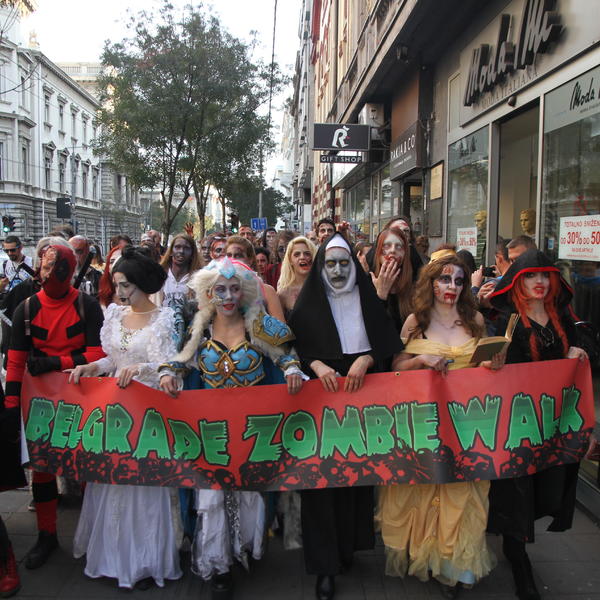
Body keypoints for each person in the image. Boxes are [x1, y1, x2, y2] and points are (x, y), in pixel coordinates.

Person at [158, 258, 304, 598]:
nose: (228, 297)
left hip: (250, 432)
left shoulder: (259, 324)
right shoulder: (199, 328)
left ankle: (242, 548)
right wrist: (168, 374)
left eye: (234, 289)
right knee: (213, 495)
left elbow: (286, 355)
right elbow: (179, 361)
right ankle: (219, 564)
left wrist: (292, 370)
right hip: (210, 432)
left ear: (244, 292)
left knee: (248, 493)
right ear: (208, 293)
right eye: (220, 290)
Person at [378, 254, 501, 598]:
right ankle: (427, 558)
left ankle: (455, 566)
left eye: (459, 281)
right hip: (425, 423)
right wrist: (420, 359)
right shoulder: (415, 321)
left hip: (467, 424)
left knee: (463, 493)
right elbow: (396, 367)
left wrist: (492, 364)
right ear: (431, 282)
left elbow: (484, 366)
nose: (452, 287)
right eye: (445, 279)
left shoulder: (475, 319)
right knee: (425, 490)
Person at [288, 232, 403, 600]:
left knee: (354, 478)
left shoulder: (366, 299)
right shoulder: (307, 305)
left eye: (343, 263)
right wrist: (316, 364)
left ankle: (347, 548)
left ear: (353, 266)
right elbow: (294, 348)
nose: (337, 270)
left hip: (359, 402)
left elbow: (387, 343)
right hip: (320, 407)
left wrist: (366, 359)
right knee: (320, 486)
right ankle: (324, 567)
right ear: (321, 268)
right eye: (330, 264)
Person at [67, 246, 182, 590]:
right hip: (115, 411)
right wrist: (92, 367)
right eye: (117, 284)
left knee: (142, 486)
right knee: (112, 480)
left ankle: (143, 561)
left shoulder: (163, 319)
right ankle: (111, 558)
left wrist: (143, 368)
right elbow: (112, 359)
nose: (119, 292)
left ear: (142, 284)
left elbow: (168, 365)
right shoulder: (115, 315)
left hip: (147, 414)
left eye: (126, 285)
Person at [487, 249, 587, 600]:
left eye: (545, 275)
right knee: (518, 490)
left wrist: (576, 354)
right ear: (517, 281)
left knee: (546, 486)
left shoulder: (563, 317)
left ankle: (514, 542)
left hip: (554, 424)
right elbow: (495, 370)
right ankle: (518, 558)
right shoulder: (508, 322)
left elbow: (582, 358)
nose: (539, 282)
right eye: (530, 275)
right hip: (518, 424)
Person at [4, 244, 105, 569]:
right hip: (41, 401)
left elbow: (98, 354)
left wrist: (55, 362)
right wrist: (10, 405)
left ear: (68, 271)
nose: (46, 275)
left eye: (54, 269)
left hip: (81, 395)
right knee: (42, 466)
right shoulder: (27, 309)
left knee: (86, 463)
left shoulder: (87, 306)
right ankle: (46, 534)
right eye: (44, 267)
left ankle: (93, 532)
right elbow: (15, 361)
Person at [225, 236, 285, 321]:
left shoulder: (267, 291)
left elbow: (281, 327)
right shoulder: (217, 290)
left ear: (250, 260)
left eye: (238, 255)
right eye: (228, 256)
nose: (233, 260)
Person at [370, 227, 413, 333]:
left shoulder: (414, 288)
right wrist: (381, 295)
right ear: (378, 252)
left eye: (399, 246)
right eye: (386, 245)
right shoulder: (366, 284)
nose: (393, 250)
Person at [277, 236, 317, 319]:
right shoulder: (283, 293)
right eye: (297, 254)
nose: (302, 257)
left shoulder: (324, 287)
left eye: (307, 254)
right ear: (290, 261)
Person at [159, 234, 201, 309]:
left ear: (192, 253)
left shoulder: (198, 279)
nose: (181, 251)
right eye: (177, 247)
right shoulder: (160, 274)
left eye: (186, 248)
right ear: (171, 251)